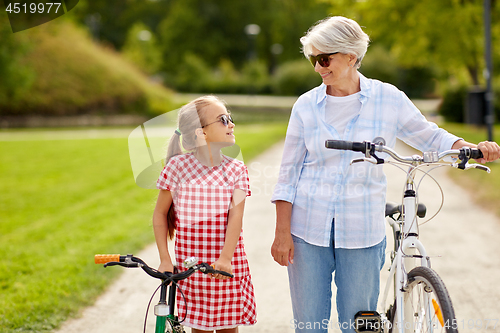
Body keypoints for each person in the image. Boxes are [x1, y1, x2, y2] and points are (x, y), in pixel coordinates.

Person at [270, 16, 500, 333]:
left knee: (360, 325)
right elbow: (288, 175)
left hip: (362, 229)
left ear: (351, 56)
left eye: (325, 59)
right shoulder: (306, 106)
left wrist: (471, 147)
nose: (318, 68)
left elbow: (429, 135)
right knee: (309, 325)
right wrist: (282, 232)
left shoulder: (388, 98)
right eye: (314, 59)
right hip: (307, 229)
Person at [153, 96, 257, 333]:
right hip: (193, 271)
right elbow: (160, 214)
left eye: (230, 119)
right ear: (201, 133)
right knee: (199, 330)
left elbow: (236, 219)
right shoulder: (177, 168)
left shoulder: (236, 170)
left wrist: (226, 259)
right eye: (223, 120)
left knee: (228, 329)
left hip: (227, 267)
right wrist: (165, 258)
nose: (231, 124)